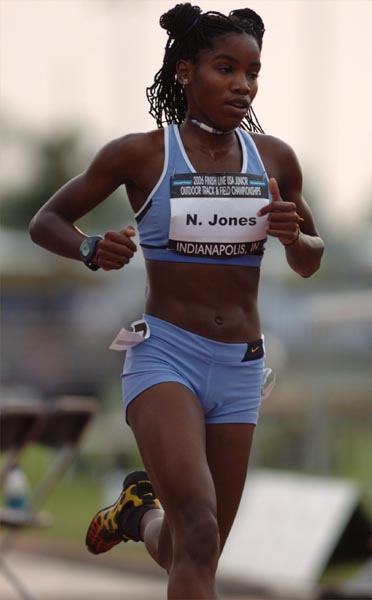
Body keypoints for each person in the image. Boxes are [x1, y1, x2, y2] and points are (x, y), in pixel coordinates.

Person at [29, 3, 324, 598]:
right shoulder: (141, 155)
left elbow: (310, 259)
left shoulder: (275, 160)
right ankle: (151, 514)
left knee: (199, 546)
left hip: (241, 366)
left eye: (253, 72)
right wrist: (90, 248)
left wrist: (297, 234)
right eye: (226, 68)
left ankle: (138, 516)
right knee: (199, 527)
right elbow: (46, 220)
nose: (243, 85)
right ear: (185, 72)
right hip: (166, 357)